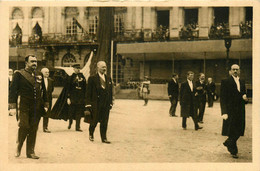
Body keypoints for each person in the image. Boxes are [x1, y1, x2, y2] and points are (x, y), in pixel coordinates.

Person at [9, 55, 48, 159]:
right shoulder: (19, 74)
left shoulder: (39, 74)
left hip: (36, 106)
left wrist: (46, 103)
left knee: (33, 128)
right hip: (24, 105)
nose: (34, 63)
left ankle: (30, 152)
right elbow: (13, 90)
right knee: (24, 126)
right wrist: (12, 106)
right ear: (26, 63)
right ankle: (19, 146)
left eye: (35, 61)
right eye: (32, 61)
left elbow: (44, 90)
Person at [220, 64, 248, 159]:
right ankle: (233, 151)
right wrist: (224, 112)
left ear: (239, 71)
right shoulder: (225, 81)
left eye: (237, 69)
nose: (235, 71)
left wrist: (245, 99)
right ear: (230, 71)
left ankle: (228, 142)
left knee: (239, 129)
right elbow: (223, 98)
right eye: (233, 69)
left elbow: (243, 95)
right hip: (230, 110)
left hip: (240, 110)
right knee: (232, 130)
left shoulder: (242, 81)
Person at [85, 61, 113, 143]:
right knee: (94, 120)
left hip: (106, 103)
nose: (104, 69)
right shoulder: (92, 78)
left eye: (105, 67)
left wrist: (111, 102)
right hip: (96, 104)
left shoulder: (108, 78)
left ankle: (104, 138)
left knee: (104, 121)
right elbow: (88, 93)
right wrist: (88, 104)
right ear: (98, 68)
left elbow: (110, 92)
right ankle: (91, 133)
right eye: (102, 67)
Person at [67, 64, 86, 132]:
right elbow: (68, 88)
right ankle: (70, 122)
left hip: (80, 97)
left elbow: (84, 87)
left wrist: (84, 97)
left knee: (79, 112)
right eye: (76, 68)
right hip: (73, 97)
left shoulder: (82, 76)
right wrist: (68, 97)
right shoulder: (71, 77)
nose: (78, 69)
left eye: (79, 68)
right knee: (71, 111)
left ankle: (77, 127)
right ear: (74, 69)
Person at [41, 67, 54, 133]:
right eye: (46, 72)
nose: (47, 73)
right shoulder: (39, 80)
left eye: (48, 72)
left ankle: (45, 127)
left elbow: (52, 89)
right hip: (40, 99)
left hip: (48, 99)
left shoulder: (51, 80)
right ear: (42, 73)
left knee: (47, 113)